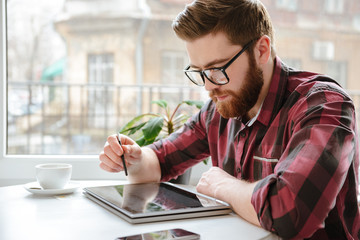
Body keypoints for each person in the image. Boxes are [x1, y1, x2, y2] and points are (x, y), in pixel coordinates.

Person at [99, 0, 360, 239]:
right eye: (199, 72)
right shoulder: (221, 106)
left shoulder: (323, 104)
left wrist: (222, 186)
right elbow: (161, 160)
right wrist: (134, 158)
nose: (208, 86)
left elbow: (289, 213)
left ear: (261, 50)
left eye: (217, 69)